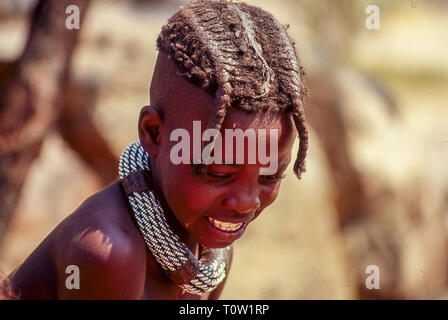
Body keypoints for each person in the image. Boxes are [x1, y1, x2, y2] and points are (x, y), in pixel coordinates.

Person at [1, 0, 308, 299]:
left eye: (270, 177)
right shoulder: (110, 254)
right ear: (153, 133)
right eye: (219, 173)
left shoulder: (212, 256)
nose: (246, 203)